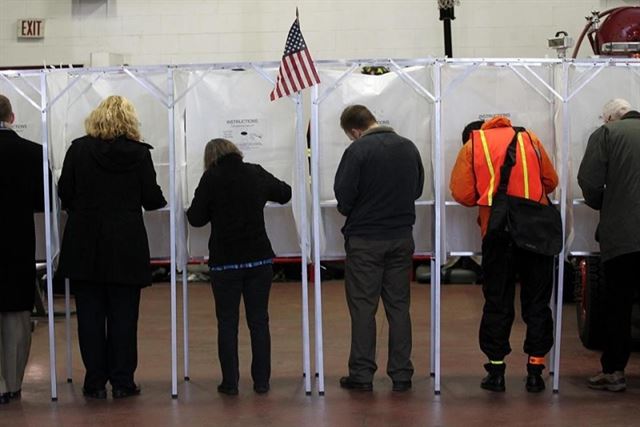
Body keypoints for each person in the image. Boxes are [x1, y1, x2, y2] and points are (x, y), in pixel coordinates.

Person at [57, 95, 166, 399]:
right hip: (125, 244)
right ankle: (122, 382)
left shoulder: (78, 149)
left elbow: (64, 191)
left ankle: (94, 382)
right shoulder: (140, 154)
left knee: (90, 317)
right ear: (130, 120)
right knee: (124, 317)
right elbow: (152, 198)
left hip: (84, 242)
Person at [450, 115, 558, 393]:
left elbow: (462, 194)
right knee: (537, 301)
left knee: (498, 302)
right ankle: (535, 371)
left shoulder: (474, 144)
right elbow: (551, 180)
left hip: (497, 232)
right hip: (535, 232)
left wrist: (488, 193)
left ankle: (496, 371)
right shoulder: (530, 138)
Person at [187, 138, 291, 396]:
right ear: (235, 151)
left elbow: (196, 219)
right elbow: (285, 192)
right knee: (259, 321)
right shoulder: (255, 172)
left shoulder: (211, 178)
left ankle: (230, 382)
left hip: (225, 261)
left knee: (227, 322)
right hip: (258, 258)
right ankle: (261, 381)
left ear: (210, 158)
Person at [334, 105, 424, 392]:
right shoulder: (409, 147)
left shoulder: (358, 151)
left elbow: (344, 198)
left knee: (363, 309)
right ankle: (401, 373)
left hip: (365, 241)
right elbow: (418, 189)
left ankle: (362, 374)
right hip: (400, 237)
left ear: (355, 131)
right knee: (399, 307)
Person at [578, 98, 640, 392]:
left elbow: (589, 181)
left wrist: (606, 204)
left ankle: (615, 372)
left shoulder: (607, 135)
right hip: (625, 233)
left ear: (611, 119)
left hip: (623, 237)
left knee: (619, 306)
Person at [0, 94, 48, 404]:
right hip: (16, 241)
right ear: (13, 117)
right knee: (16, 314)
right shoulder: (34, 153)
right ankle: (12, 383)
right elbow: (42, 202)